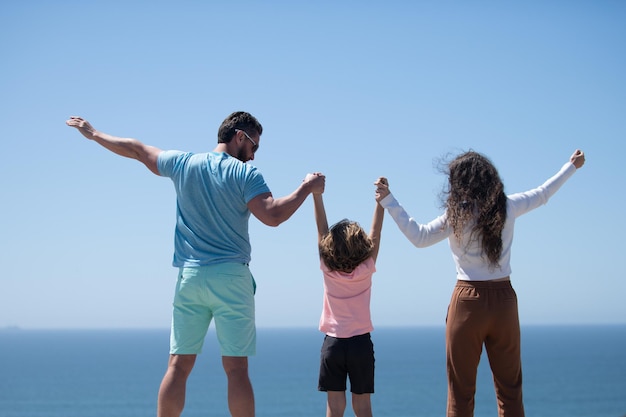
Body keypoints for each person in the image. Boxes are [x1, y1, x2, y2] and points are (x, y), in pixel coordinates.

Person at [65, 112, 326, 417]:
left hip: (189, 277)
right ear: (240, 137)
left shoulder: (184, 163)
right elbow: (273, 215)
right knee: (236, 369)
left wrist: (94, 133)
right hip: (230, 277)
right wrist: (307, 188)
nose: (254, 155)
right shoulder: (245, 175)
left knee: (178, 365)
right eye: (255, 146)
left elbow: (136, 149)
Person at [375, 150, 585, 417]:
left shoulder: (455, 217)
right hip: (504, 302)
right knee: (510, 391)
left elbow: (420, 236)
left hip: (467, 303)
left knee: (460, 394)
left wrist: (389, 200)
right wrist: (571, 166)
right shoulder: (509, 206)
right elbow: (543, 193)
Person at [312, 177, 386, 417]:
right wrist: (380, 200)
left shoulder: (327, 267)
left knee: (334, 407)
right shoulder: (367, 267)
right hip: (360, 344)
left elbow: (321, 229)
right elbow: (375, 233)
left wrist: (317, 195)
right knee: (363, 407)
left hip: (333, 344)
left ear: (329, 246)